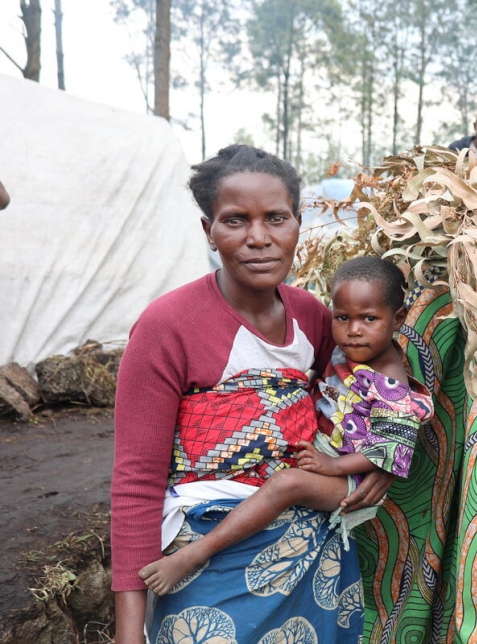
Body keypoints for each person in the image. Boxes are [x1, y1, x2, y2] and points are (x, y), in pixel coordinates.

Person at [111, 145, 386, 644]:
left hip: (315, 566)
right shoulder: (168, 326)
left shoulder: (316, 318)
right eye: (235, 220)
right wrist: (129, 635)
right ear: (208, 232)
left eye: (276, 218)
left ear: (298, 224)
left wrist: (380, 463)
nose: (259, 238)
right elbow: (136, 484)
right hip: (207, 565)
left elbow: (358, 406)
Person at [136, 256, 433, 596]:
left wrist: (334, 465)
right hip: (329, 460)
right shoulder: (349, 354)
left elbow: (390, 450)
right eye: (342, 318)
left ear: (397, 319)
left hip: (354, 481)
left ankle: (197, 552)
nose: (353, 330)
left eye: (369, 319)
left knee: (285, 484)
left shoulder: (390, 384)